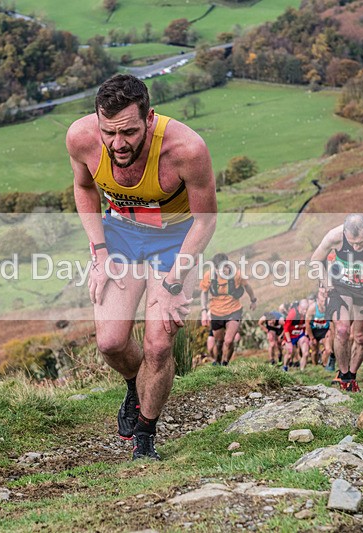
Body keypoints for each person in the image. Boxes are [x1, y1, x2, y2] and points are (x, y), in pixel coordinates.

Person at [67, 74, 217, 461]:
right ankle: (136, 384)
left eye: (129, 132)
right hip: (120, 233)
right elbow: (84, 189)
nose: (118, 144)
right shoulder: (81, 138)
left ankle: (145, 437)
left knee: (159, 342)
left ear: (149, 118)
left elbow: (205, 221)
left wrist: (172, 284)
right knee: (111, 342)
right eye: (109, 132)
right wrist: (98, 255)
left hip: (174, 238)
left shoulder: (187, 149)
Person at [310, 214, 363, 392]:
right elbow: (316, 260)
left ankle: (353, 376)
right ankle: (344, 377)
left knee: (361, 338)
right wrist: (327, 286)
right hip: (341, 287)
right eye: (352, 243)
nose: (356, 247)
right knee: (341, 330)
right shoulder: (335, 236)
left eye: (360, 243)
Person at [200, 253, 257, 366]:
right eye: (217, 270)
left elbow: (247, 287)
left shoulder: (237, 274)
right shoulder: (209, 276)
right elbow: (204, 292)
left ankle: (225, 363)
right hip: (216, 312)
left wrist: (253, 300)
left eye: (222, 269)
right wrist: (204, 311)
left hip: (234, 310)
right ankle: (217, 361)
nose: (220, 273)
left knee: (229, 340)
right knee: (219, 341)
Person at [305, 287, 333, 370]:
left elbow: (333, 321)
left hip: (325, 331)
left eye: (325, 298)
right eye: (322, 299)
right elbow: (307, 323)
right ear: (318, 298)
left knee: (328, 350)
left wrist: (330, 331)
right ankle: (315, 367)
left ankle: (324, 366)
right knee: (314, 351)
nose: (323, 301)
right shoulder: (312, 308)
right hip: (314, 331)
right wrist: (311, 337)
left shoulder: (329, 307)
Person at [283, 299, 310, 371]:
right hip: (290, 336)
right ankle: (285, 367)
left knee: (306, 353)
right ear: (299, 307)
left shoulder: (308, 313)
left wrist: (307, 335)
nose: (305, 311)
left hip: (300, 334)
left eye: (306, 309)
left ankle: (302, 370)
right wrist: (288, 342)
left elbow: (308, 324)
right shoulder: (293, 313)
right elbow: (286, 328)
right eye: (303, 309)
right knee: (289, 354)